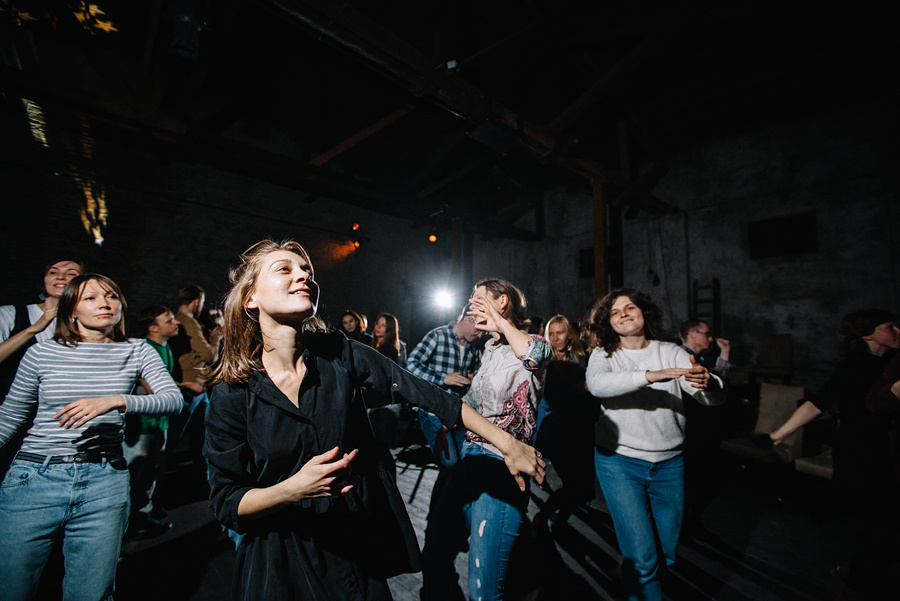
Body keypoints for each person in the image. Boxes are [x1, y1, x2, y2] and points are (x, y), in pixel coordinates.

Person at [202, 240, 545, 601]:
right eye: (285, 269)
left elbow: (429, 395)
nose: (303, 274)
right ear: (250, 299)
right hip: (283, 558)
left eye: (307, 270)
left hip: (353, 549)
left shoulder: (341, 354)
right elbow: (227, 500)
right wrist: (293, 489)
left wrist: (509, 444)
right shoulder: (232, 392)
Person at [0, 274, 181, 600]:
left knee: (92, 594)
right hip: (34, 479)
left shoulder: (137, 350)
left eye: (111, 296)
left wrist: (115, 400)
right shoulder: (42, 354)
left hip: (104, 480)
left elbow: (172, 399)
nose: (105, 303)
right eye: (91, 298)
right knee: (12, 589)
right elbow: (10, 417)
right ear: (71, 311)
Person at [582, 287, 724, 601]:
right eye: (615, 312)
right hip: (620, 462)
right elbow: (597, 385)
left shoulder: (671, 350)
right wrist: (649, 375)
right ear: (609, 323)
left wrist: (710, 382)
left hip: (670, 464)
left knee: (666, 553)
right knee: (643, 557)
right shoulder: (604, 355)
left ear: (645, 312)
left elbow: (708, 396)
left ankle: (637, 585)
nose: (623, 315)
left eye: (630, 307)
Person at [421, 278, 551, 601]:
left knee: (485, 589)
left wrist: (502, 323)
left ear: (502, 300)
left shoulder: (533, 342)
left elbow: (535, 356)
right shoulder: (490, 349)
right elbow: (475, 402)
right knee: (435, 555)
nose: (469, 304)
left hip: (502, 470)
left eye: (478, 298)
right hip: (470, 460)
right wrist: (447, 425)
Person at [764, 309, 900, 507]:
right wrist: (780, 433)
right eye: (890, 327)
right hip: (856, 445)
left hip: (885, 441)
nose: (898, 330)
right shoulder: (852, 366)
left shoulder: (893, 361)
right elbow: (820, 402)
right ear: (867, 335)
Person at [0, 259, 84, 475]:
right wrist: (33, 329)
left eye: (70, 273)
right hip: (8, 416)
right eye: (53, 271)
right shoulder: (11, 314)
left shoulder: (83, 324)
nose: (61, 277)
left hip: (52, 424)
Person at [123, 305, 183, 533]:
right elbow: (155, 390)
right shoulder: (144, 349)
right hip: (142, 427)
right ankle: (122, 530)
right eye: (169, 320)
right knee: (133, 476)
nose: (175, 323)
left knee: (150, 474)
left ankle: (141, 516)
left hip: (159, 422)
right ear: (152, 327)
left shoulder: (163, 346)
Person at [533, 314, 594, 530]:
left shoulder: (580, 357)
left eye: (560, 333)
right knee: (574, 485)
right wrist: (577, 390)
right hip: (555, 432)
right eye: (551, 333)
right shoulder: (544, 362)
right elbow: (548, 401)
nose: (555, 338)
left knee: (581, 487)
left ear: (569, 335)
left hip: (578, 431)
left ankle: (556, 521)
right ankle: (545, 517)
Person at [406, 307, 483, 469]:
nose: (480, 335)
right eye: (479, 330)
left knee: (466, 461)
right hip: (434, 412)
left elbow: (476, 372)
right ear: (469, 319)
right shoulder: (437, 335)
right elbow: (411, 364)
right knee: (450, 462)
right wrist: (443, 378)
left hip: (459, 413)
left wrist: (473, 378)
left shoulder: (474, 345)